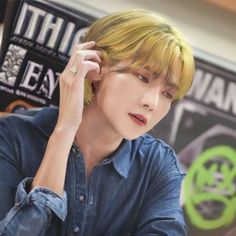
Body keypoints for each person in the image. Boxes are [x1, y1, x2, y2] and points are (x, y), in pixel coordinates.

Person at [0, 9, 194, 236]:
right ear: (95, 66)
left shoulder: (158, 166)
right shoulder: (13, 137)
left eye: (168, 94)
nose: (152, 103)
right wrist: (64, 131)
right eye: (143, 77)